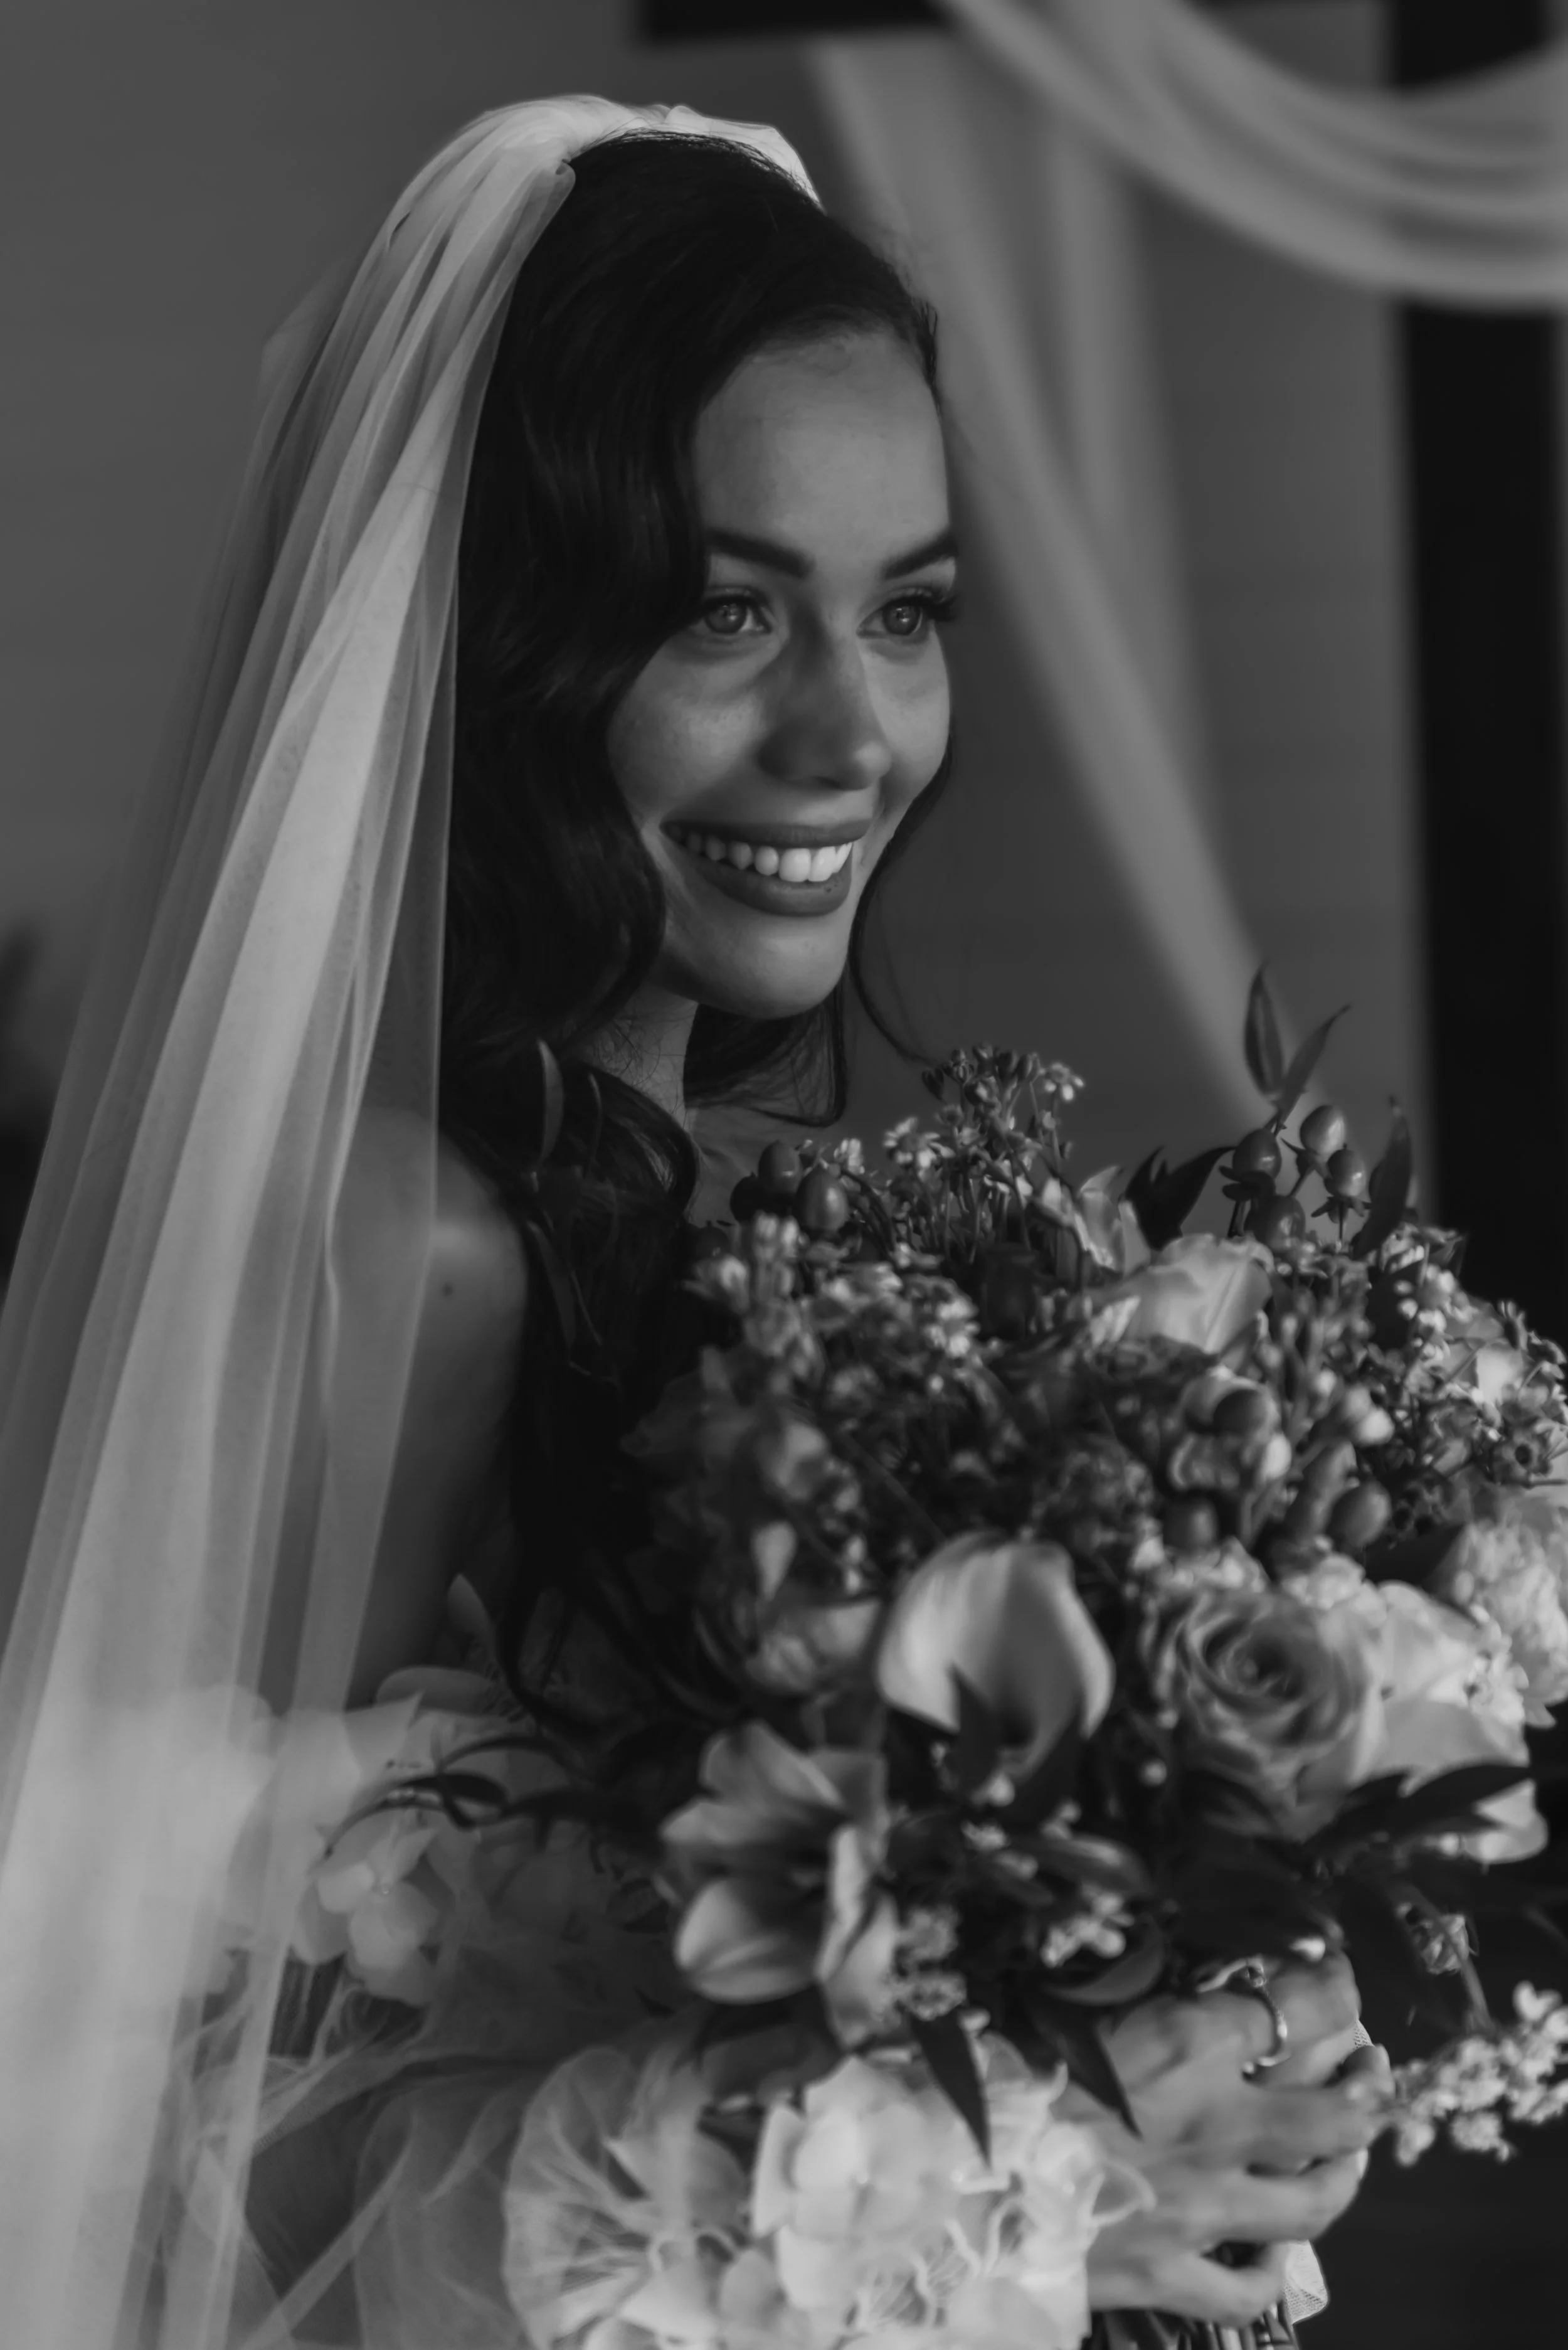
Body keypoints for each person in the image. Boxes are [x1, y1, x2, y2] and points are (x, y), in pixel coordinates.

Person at [0, 98, 1385, 2350]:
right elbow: (126, 2149)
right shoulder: (393, 1253)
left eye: (907, 613)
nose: (852, 733)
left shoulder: (797, 1250)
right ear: (502, 642)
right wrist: (995, 2195)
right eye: (726, 612)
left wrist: (1190, 2020)